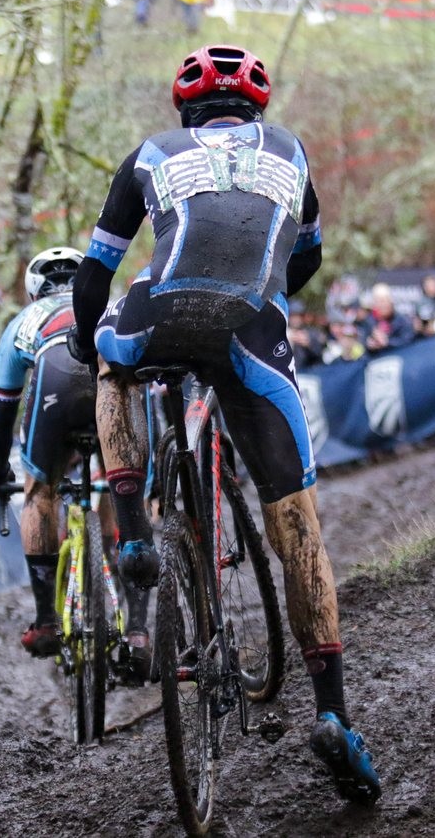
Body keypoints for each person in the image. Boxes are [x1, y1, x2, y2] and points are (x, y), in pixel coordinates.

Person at [66, 44, 381, 803]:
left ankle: (134, 528)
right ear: (257, 110)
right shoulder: (294, 153)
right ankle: (334, 713)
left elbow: (94, 272)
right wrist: (264, 293)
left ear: (186, 110)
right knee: (296, 521)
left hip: (160, 311)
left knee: (111, 361)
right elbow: (302, 262)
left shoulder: (150, 153)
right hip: (251, 326)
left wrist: (85, 340)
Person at [0, 247, 151, 671]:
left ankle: (45, 621)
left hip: (53, 374)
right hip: (109, 368)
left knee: (40, 491)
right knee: (123, 480)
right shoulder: (108, 306)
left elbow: (4, 409)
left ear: (33, 289)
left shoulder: (24, 321)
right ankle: (138, 628)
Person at [359, 282, 415, 354]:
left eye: (384, 301)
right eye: (378, 302)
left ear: (391, 302)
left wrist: (387, 342)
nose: (382, 305)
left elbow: (408, 342)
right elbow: (362, 341)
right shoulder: (369, 321)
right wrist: (369, 344)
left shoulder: (403, 321)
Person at [288, 299, 326, 370]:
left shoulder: (313, 333)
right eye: (293, 316)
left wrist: (309, 344)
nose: (296, 319)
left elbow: (320, 353)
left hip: (308, 373)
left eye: (299, 316)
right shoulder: (283, 332)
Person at [414, 273, 435, 337]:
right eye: (428, 286)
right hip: (424, 335)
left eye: (433, 285)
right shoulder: (420, 302)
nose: (431, 288)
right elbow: (417, 321)